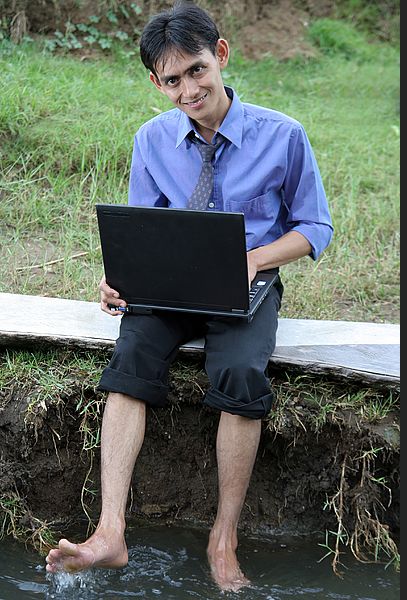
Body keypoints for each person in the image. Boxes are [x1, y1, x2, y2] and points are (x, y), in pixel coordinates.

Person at [45, 0, 333, 591]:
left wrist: (253, 258)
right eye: (172, 80)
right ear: (157, 82)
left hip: (245, 284)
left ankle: (222, 543)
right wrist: (118, 278)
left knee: (241, 377)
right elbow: (143, 231)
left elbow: (315, 227)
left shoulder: (283, 136)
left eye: (197, 70)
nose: (189, 89)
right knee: (129, 361)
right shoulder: (150, 140)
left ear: (221, 56)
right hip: (171, 287)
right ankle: (110, 534)